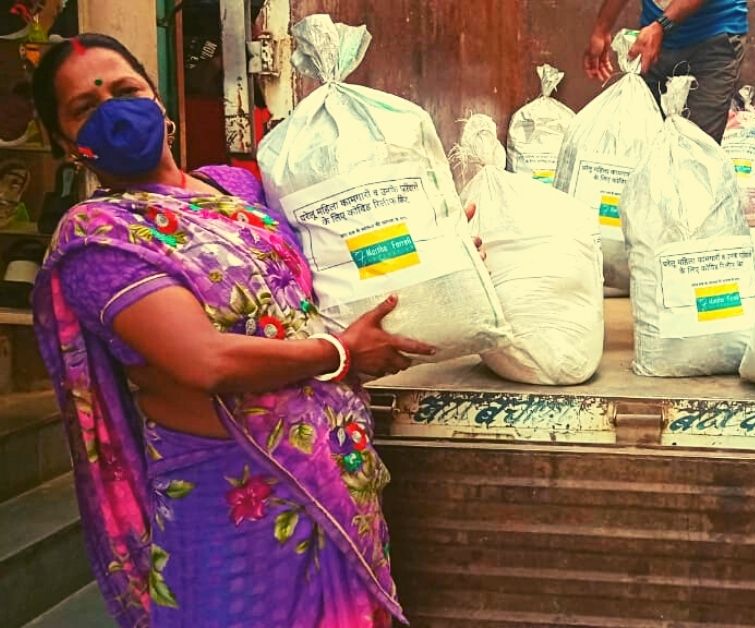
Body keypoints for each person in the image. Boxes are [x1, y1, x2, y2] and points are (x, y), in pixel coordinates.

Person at [30, 34, 479, 627]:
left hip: (333, 474)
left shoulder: (235, 188)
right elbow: (206, 361)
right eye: (86, 108)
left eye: (125, 90)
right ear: (66, 145)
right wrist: (340, 354)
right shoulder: (98, 239)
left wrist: (430, 257)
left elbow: (337, 267)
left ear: (157, 101)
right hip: (231, 504)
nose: (113, 111)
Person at [583, 0, 747, 142]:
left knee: (696, 147)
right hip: (654, 38)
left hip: (714, 38)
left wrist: (661, 26)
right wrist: (601, 30)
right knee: (639, 140)